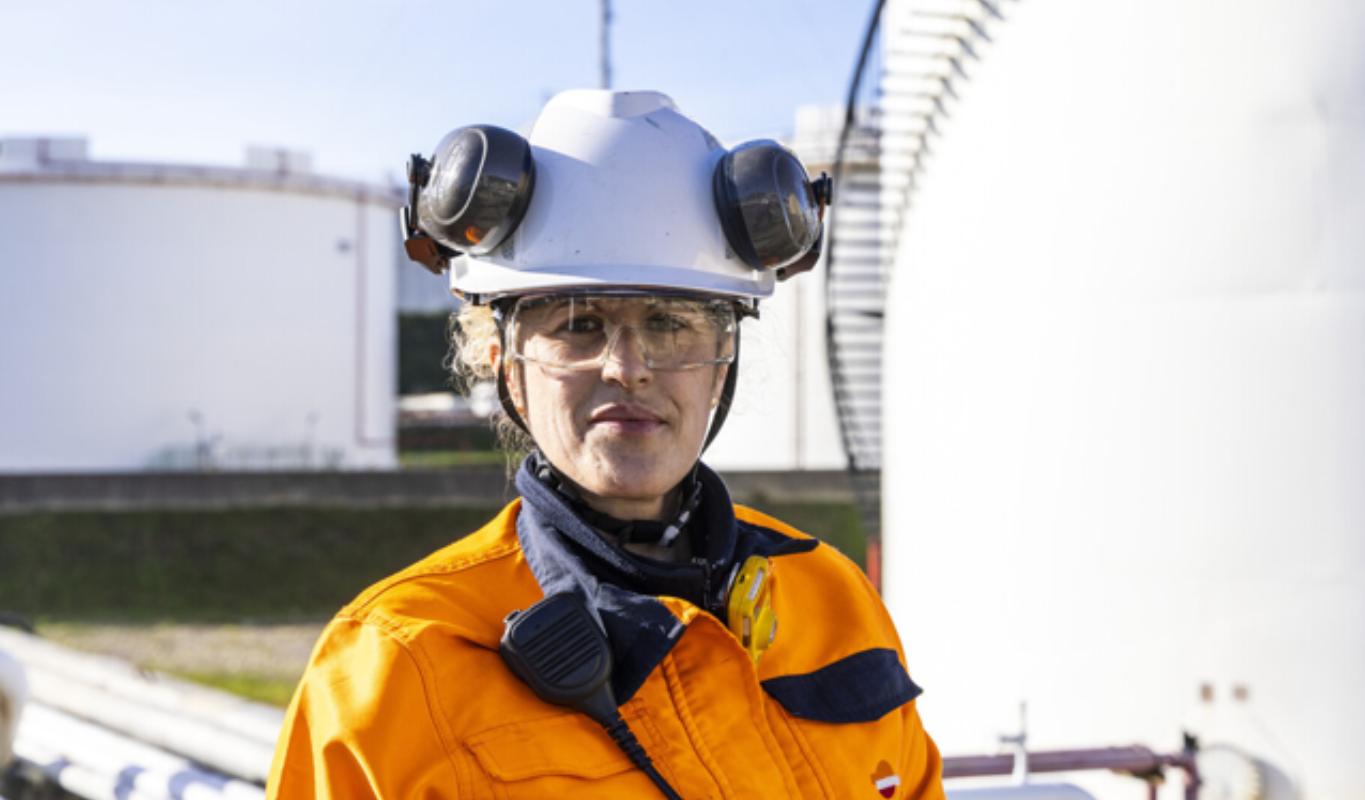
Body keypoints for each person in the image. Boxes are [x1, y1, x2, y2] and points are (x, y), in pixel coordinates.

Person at [267, 89, 942, 799]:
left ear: (723, 359)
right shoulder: (398, 660)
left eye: (671, 322)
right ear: (502, 361)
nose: (629, 366)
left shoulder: (830, 600)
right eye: (577, 323)